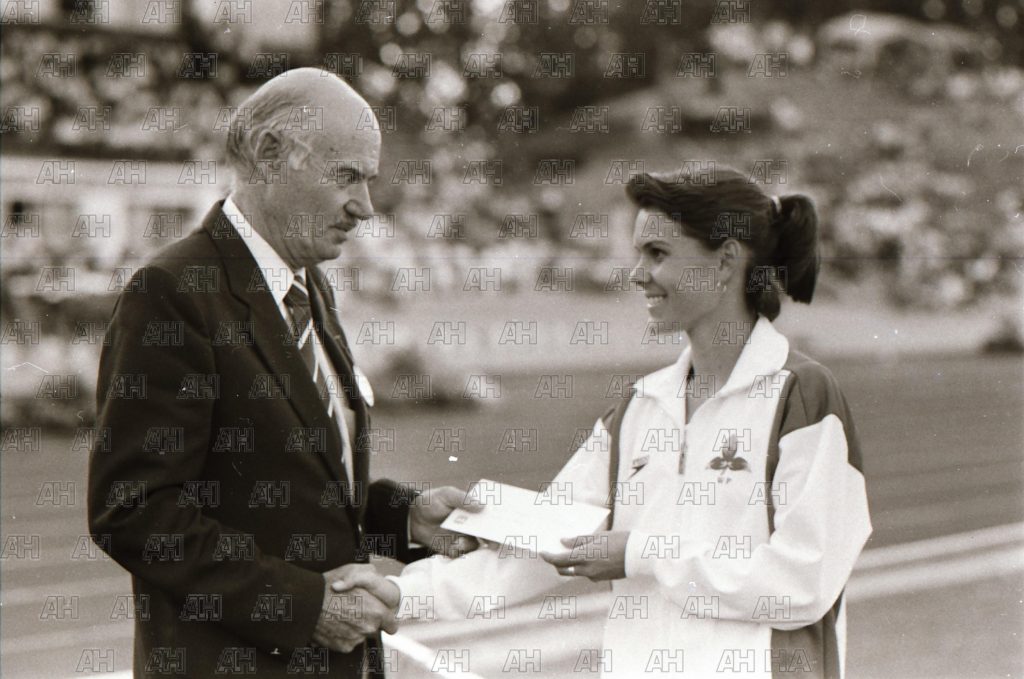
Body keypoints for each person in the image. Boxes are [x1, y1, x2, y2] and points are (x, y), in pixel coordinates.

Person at [335, 166, 873, 678]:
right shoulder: (639, 407)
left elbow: (804, 580)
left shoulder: (801, 396)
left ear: (726, 260)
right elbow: (544, 542)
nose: (637, 274)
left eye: (657, 253)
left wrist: (639, 555)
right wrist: (402, 593)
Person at [87, 68, 477, 678]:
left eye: (368, 180)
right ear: (270, 156)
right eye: (346, 176)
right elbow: (136, 512)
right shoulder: (173, 292)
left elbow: (290, 483)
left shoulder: (306, 285)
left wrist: (402, 516)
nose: (365, 206)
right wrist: (301, 607)